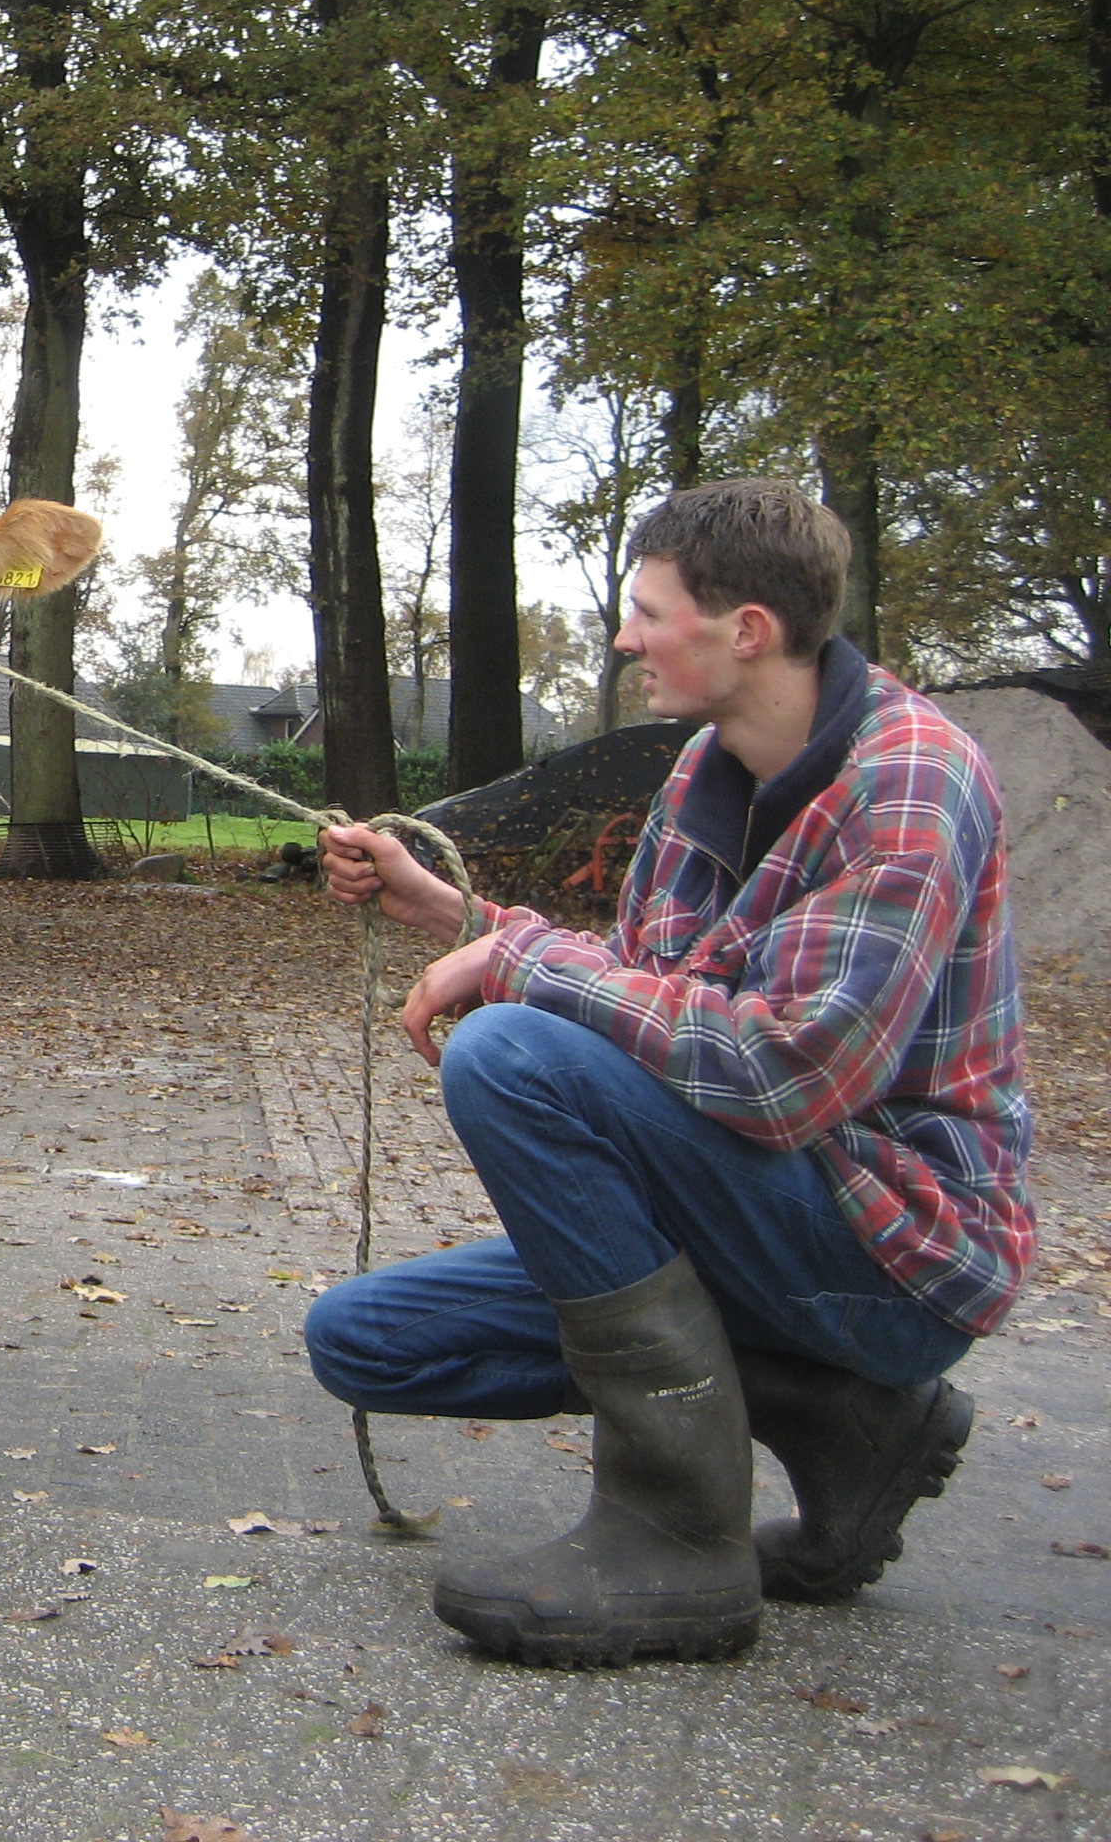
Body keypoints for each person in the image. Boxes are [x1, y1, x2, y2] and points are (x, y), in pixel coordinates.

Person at [308, 479, 1031, 1669]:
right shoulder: (706, 768)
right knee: (365, 1342)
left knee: (505, 1054)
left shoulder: (910, 782)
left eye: (644, 611)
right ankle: (844, 1422)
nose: (622, 635)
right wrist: (453, 913)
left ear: (742, 629)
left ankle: (675, 1538)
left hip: (892, 1253)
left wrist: (516, 963)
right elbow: (646, 989)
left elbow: (780, 1072)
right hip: (760, 1215)